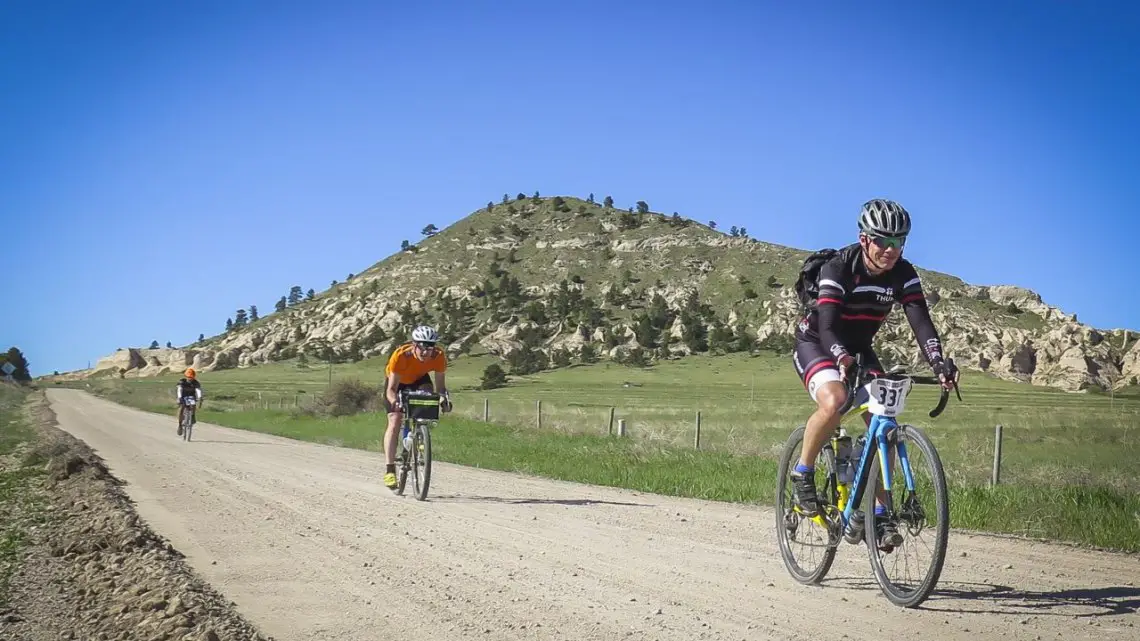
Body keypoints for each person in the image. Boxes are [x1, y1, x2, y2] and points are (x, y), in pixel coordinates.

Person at [790, 198, 960, 549]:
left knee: (885, 425)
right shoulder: (839, 268)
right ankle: (802, 473)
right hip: (819, 341)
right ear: (864, 238)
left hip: (859, 347)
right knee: (836, 400)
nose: (889, 250)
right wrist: (840, 357)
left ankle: (879, 513)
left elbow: (921, 322)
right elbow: (827, 325)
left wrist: (939, 361)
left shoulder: (904, 274)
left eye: (898, 242)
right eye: (882, 240)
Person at [381, 325, 451, 489]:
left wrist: (444, 401)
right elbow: (391, 390)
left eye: (430, 348)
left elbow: (440, 388)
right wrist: (394, 403)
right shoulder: (401, 355)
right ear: (414, 345)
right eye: (423, 348)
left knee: (427, 394)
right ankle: (390, 470)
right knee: (395, 419)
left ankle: (419, 433)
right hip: (397, 383)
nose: (426, 353)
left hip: (419, 380)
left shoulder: (438, 356)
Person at [175, 368, 203, 436]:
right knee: (181, 408)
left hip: (191, 396)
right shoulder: (182, 381)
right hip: (183, 396)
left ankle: (192, 416)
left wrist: (200, 398)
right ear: (186, 376)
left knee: (193, 404)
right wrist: (179, 398)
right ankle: (180, 426)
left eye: (192, 377)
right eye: (189, 377)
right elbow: (179, 390)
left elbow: (198, 390)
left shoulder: (196, 383)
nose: (190, 378)